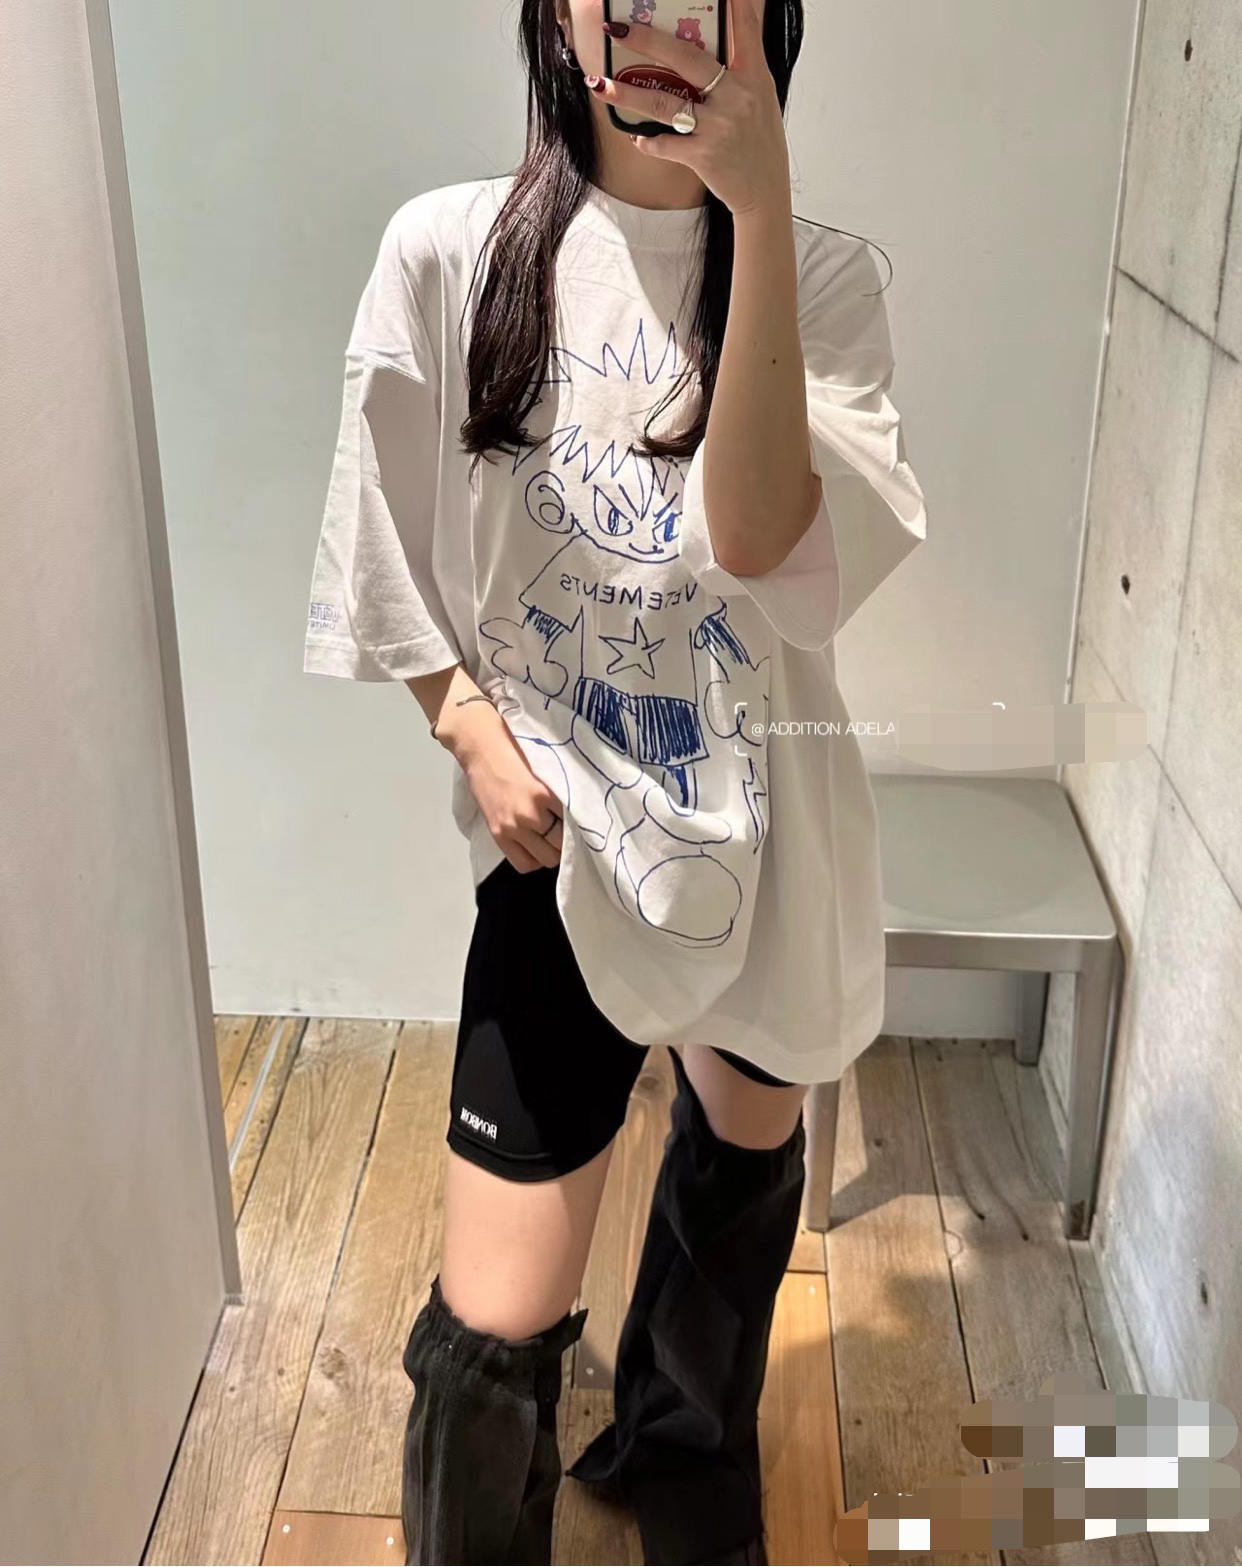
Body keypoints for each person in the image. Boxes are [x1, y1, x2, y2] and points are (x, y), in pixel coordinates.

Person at [302, 2, 927, 1561]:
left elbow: (759, 543)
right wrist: (465, 724)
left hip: (761, 832)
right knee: (491, 1331)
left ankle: (680, 1464)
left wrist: (757, 208)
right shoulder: (452, 253)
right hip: (557, 842)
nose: (652, 12)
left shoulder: (822, 277)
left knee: (740, 1176)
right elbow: (380, 542)